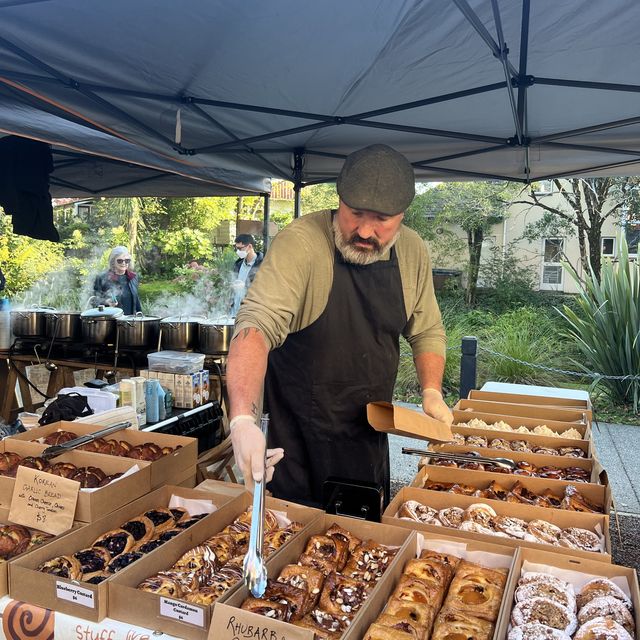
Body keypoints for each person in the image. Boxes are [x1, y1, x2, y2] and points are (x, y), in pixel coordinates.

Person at [226, 144, 452, 506]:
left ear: (403, 215)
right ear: (339, 200)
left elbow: (426, 329)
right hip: (296, 444)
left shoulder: (413, 252)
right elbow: (255, 327)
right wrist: (242, 422)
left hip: (367, 440)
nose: (364, 230)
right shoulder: (300, 244)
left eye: (382, 219)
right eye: (355, 213)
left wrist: (431, 391)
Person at [92, 246, 142, 315]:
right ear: (113, 262)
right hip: (110, 321)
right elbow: (94, 300)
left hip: (130, 322)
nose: (124, 263)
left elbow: (136, 301)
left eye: (127, 260)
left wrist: (140, 317)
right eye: (120, 261)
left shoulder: (133, 277)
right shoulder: (102, 278)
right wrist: (106, 302)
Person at [229, 234, 263, 317]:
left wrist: (245, 286)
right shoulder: (238, 264)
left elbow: (264, 288)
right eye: (236, 248)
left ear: (250, 246)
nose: (238, 251)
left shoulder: (262, 264)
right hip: (234, 312)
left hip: (250, 313)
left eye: (240, 248)